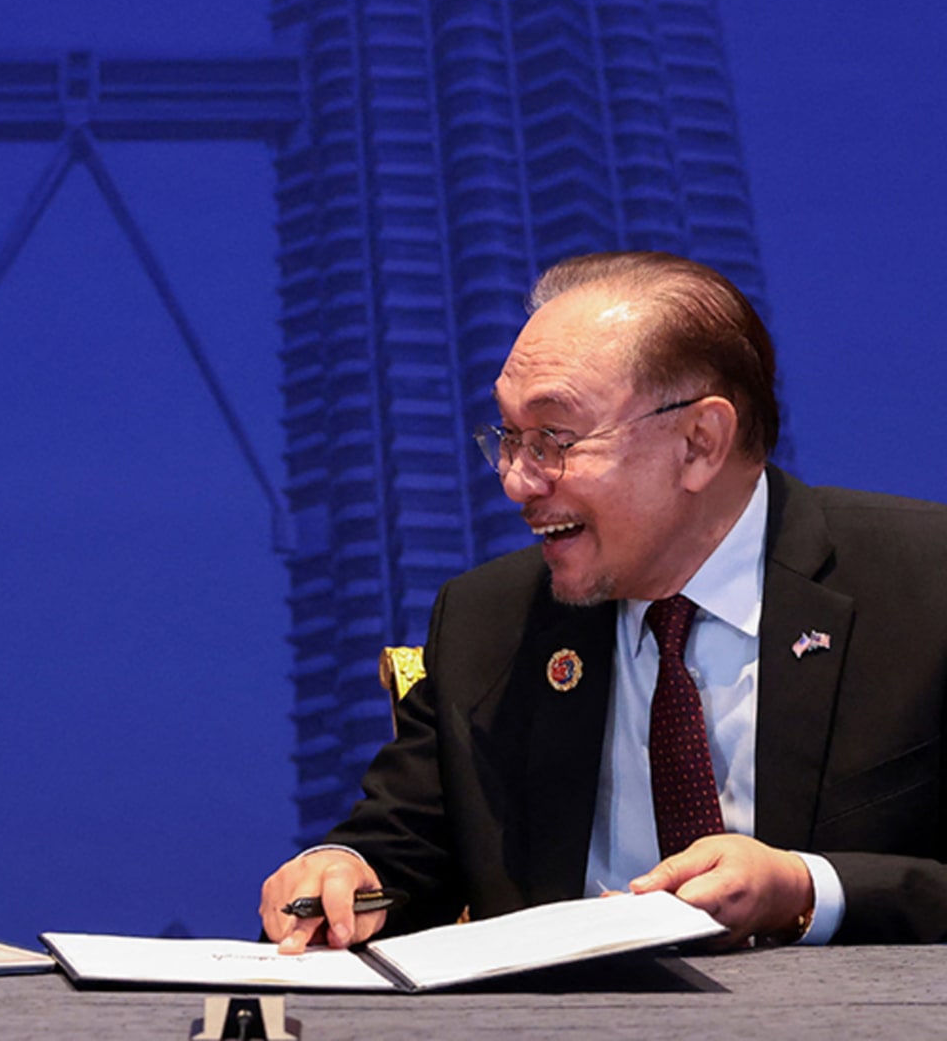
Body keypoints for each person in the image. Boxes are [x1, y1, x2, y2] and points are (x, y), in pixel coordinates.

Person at [260, 251, 947, 951]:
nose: (516, 480)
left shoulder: (926, 587)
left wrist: (809, 890)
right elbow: (403, 848)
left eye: (554, 439)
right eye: (509, 437)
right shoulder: (486, 622)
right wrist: (342, 870)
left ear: (699, 442)